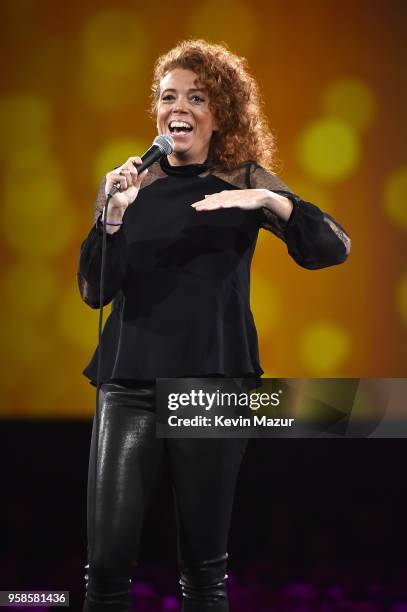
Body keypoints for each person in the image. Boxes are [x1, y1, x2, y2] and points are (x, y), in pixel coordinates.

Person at [77, 39, 351, 612]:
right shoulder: (132, 186)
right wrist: (112, 218)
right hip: (129, 384)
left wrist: (269, 201)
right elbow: (93, 292)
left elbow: (332, 247)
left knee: (203, 570)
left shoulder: (242, 177)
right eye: (168, 96)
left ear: (220, 112)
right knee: (105, 565)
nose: (179, 106)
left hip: (214, 381)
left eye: (196, 97)